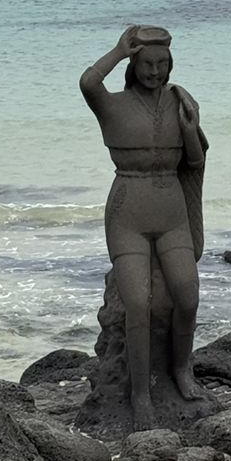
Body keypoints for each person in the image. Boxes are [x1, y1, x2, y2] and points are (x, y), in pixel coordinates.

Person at [80, 25, 207, 430]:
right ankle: (139, 394)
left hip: (171, 212)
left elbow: (194, 161)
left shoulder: (178, 102)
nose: (155, 72)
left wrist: (190, 128)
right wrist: (118, 50)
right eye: (148, 64)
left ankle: (182, 370)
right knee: (138, 304)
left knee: (187, 295)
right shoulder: (113, 105)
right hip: (127, 213)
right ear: (134, 66)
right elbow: (87, 81)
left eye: (162, 65)